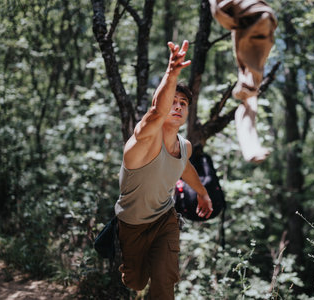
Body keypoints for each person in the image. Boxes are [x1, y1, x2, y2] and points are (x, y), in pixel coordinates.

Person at [114, 40, 213, 299]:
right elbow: (157, 112)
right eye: (174, 101)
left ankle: (157, 265)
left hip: (164, 220)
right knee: (135, 282)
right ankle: (133, 263)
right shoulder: (142, 141)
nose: (178, 106)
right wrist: (171, 72)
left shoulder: (185, 146)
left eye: (183, 103)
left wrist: (202, 193)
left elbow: (184, 168)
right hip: (132, 224)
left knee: (164, 281)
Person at [209, 0, 278, 162]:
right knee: (250, 88)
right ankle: (250, 146)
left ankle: (250, 146)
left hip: (252, 20)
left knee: (250, 89)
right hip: (251, 19)